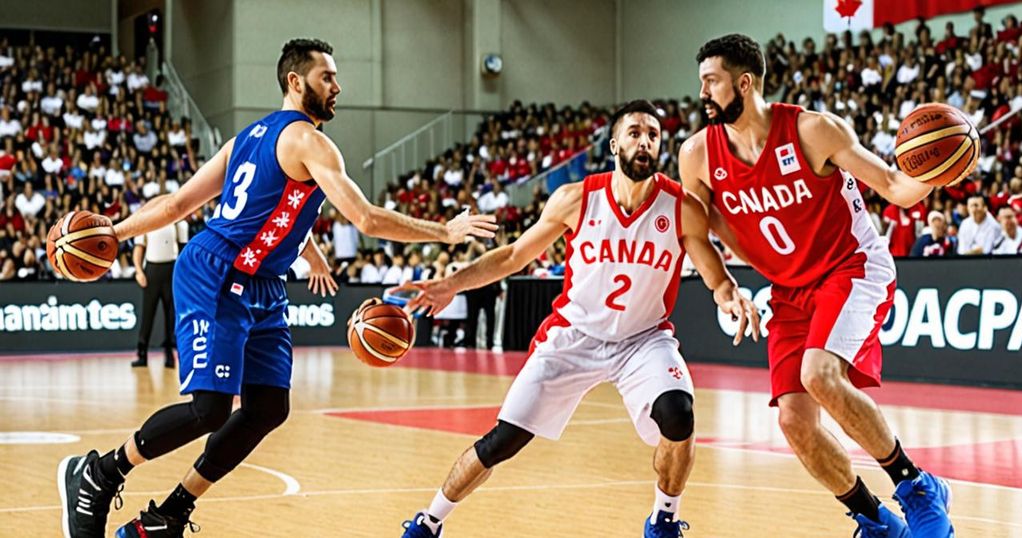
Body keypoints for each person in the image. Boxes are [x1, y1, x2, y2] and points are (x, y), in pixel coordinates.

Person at [56, 38, 497, 538]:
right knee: (211, 408)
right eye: (326, 77)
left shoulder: (248, 137)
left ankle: (168, 515)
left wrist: (117, 231)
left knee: (268, 408)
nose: (337, 86)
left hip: (263, 282)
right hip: (217, 272)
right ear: (296, 81)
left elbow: (209, 205)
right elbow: (367, 219)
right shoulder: (309, 140)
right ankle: (98, 472)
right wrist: (444, 231)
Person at [397, 100, 759, 538]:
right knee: (503, 441)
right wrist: (451, 283)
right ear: (613, 144)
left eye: (653, 135)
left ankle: (664, 518)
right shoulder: (576, 198)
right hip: (573, 335)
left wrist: (729, 295)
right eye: (634, 133)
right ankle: (429, 520)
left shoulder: (681, 207)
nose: (645, 141)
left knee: (678, 413)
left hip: (643, 340)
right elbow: (514, 255)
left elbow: (714, 273)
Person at [678, 34, 954, 537]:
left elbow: (894, 187)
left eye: (711, 82)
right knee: (794, 422)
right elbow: (694, 231)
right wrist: (722, 288)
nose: (702, 93)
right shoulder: (697, 155)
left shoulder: (812, 130)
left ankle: (917, 486)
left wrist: (936, 169)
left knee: (820, 375)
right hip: (789, 290)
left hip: (851, 267)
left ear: (744, 83)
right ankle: (875, 521)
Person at [131, 214, 188, 368]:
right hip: (152, 271)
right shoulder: (146, 222)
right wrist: (138, 271)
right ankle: (142, 354)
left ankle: (169, 354)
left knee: (171, 316)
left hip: (171, 270)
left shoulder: (178, 223)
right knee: (147, 314)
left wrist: (182, 275)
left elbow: (184, 251)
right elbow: (139, 248)